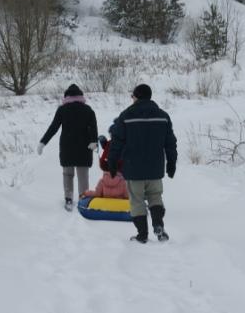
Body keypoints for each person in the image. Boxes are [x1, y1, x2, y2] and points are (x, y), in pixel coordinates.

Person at [108, 83, 177, 242]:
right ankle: (158, 225)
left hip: (133, 168)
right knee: (155, 197)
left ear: (136, 97)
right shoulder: (163, 116)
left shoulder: (126, 116)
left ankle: (142, 235)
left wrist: (112, 162)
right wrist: (171, 163)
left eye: (132, 96)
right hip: (155, 168)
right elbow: (170, 143)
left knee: (137, 201)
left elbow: (116, 142)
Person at [39, 83, 98, 211]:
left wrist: (43, 142)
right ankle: (84, 198)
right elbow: (94, 128)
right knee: (83, 175)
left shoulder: (62, 110)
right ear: (80, 96)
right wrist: (94, 143)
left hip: (67, 146)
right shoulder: (88, 110)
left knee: (67, 174)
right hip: (84, 147)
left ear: (66, 97)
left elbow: (53, 127)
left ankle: (68, 199)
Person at [81, 135, 128, 199]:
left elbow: (97, 194)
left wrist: (86, 193)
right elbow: (127, 196)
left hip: (105, 208)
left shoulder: (102, 181)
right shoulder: (123, 183)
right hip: (120, 208)